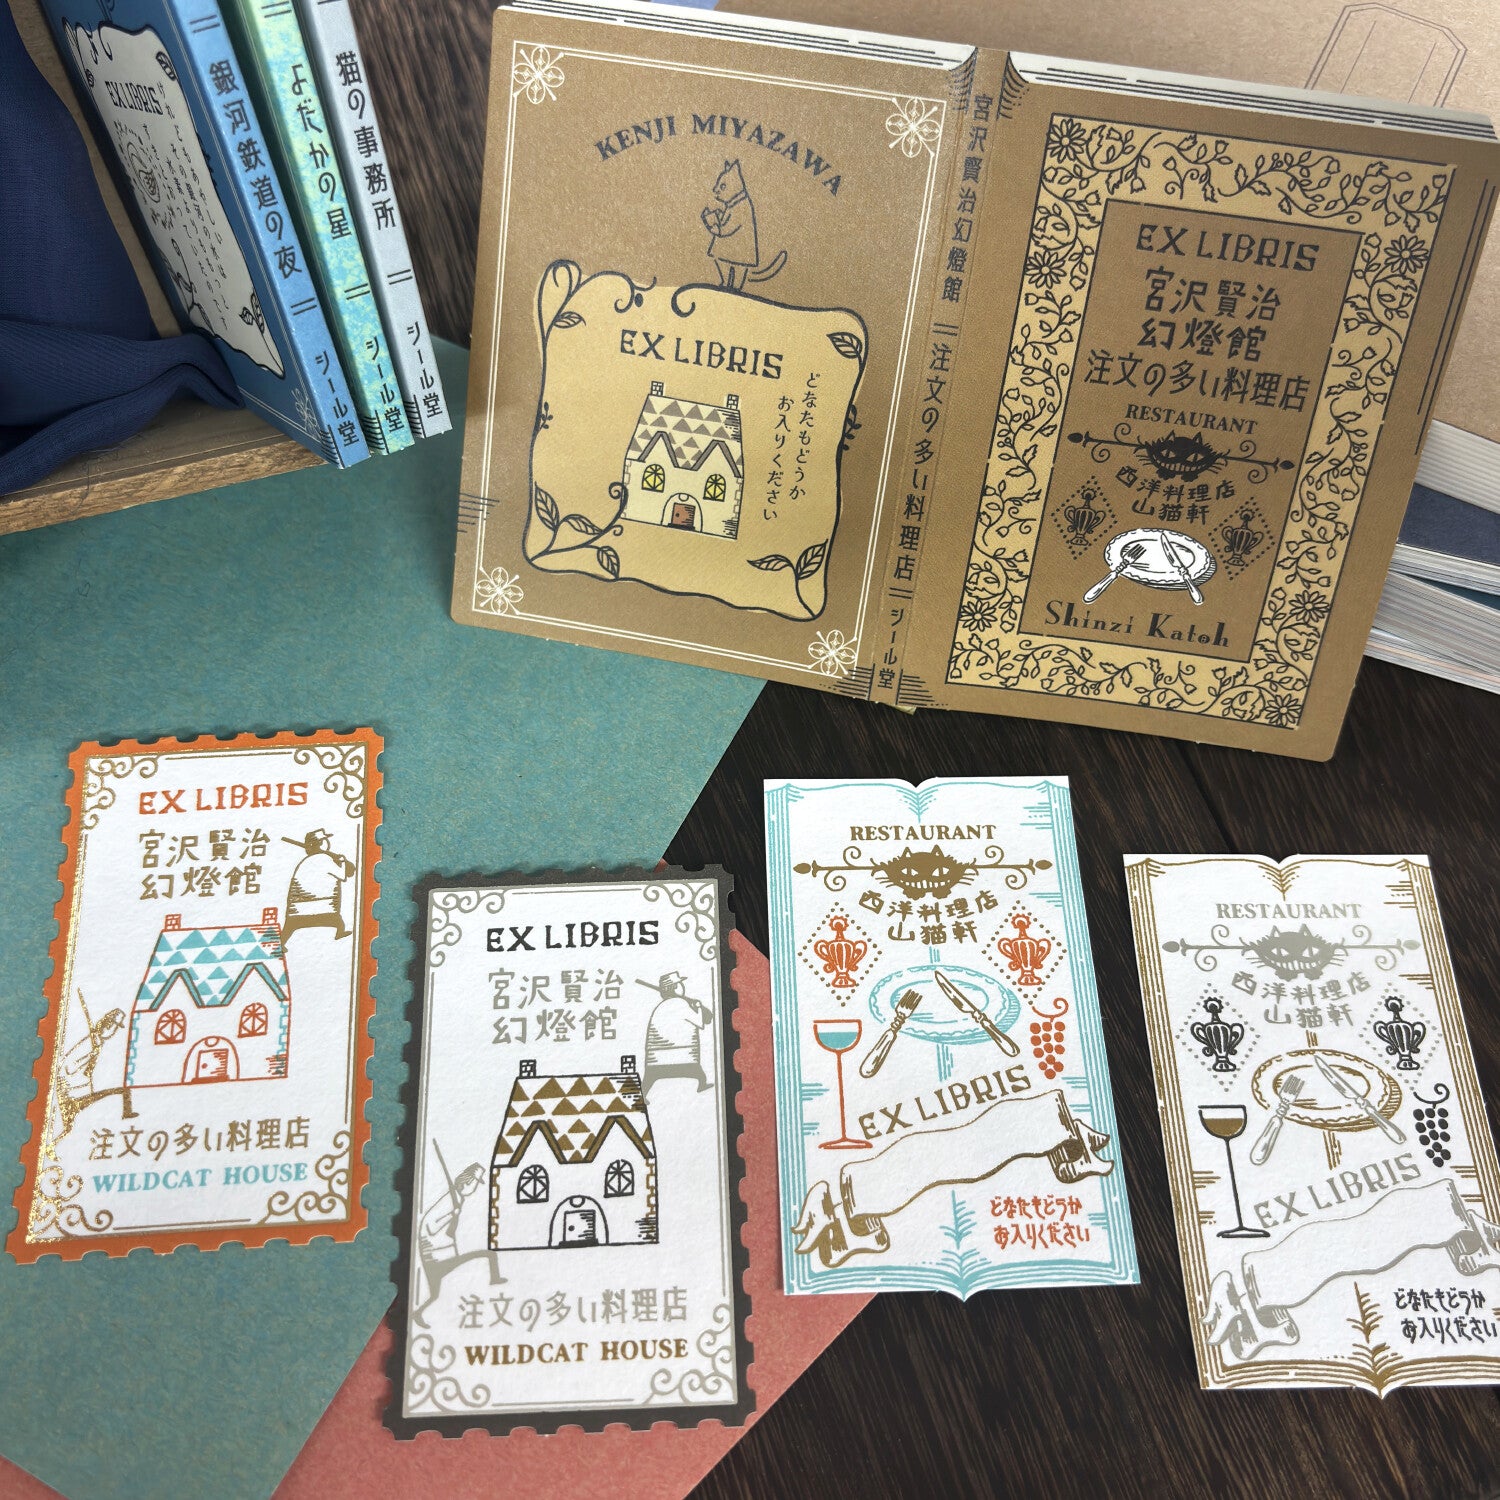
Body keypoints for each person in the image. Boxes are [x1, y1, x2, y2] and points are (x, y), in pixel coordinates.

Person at [414, 1161, 503, 1327]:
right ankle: (494, 1281)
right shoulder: (449, 1201)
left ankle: (418, 1313)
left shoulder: (456, 1199)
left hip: (443, 1255)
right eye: (476, 1183)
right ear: (467, 1182)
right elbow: (430, 1226)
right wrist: (451, 1215)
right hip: (437, 1258)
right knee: (488, 1255)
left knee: (436, 1295)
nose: (475, 1187)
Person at [57, 1005, 130, 1136]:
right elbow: (69, 1068)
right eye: (113, 1026)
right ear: (107, 1024)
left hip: (80, 1092)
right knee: (70, 1129)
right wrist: (90, 1054)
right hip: (71, 1095)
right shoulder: (90, 1043)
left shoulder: (97, 1043)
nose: (113, 1031)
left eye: (116, 1028)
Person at [642, 971, 713, 1096]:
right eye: (680, 984)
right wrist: (698, 1007)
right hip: (681, 1054)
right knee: (699, 1074)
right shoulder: (680, 1004)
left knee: (650, 1076)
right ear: (674, 987)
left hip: (656, 1057)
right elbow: (700, 1021)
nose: (682, 986)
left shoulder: (662, 1006)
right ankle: (702, 1084)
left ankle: (642, 1094)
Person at [280, 829, 355, 944]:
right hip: (321, 906)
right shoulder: (324, 859)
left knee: (291, 925)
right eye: (325, 840)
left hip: (297, 909)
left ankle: (281, 943)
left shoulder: (307, 861)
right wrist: (342, 860)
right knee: (337, 921)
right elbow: (342, 875)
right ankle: (339, 932)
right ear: (321, 843)